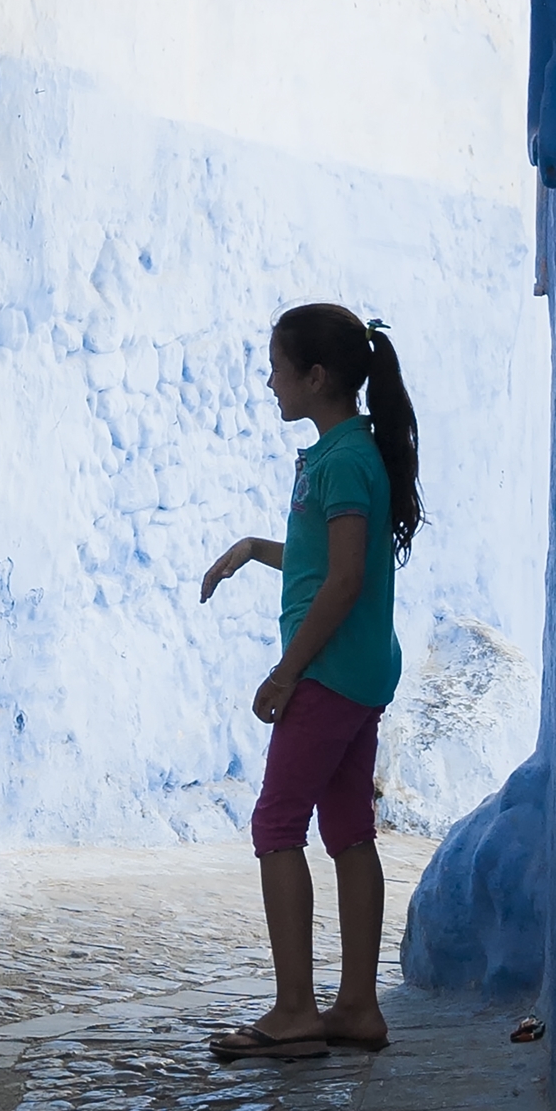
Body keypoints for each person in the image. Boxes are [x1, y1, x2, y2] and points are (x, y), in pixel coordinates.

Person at [198, 303, 423, 1059]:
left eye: (278, 369)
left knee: (276, 824)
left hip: (327, 673)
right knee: (349, 830)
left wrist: (285, 671)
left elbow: (345, 578)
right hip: (358, 670)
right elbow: (322, 556)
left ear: (316, 377)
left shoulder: (343, 460)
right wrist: (251, 548)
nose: (270, 383)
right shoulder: (346, 452)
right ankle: (356, 1006)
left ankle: (294, 1009)